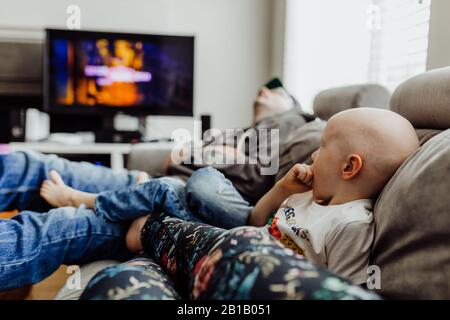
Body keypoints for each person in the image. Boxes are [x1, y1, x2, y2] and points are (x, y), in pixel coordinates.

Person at [42, 108, 420, 285]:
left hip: (232, 254)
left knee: (167, 189)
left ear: (349, 167)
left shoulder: (351, 224)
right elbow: (257, 220)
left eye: (322, 148)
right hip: (238, 233)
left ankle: (86, 200)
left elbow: (337, 288)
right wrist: (285, 188)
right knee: (195, 180)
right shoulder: (310, 195)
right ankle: (100, 200)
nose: (313, 156)